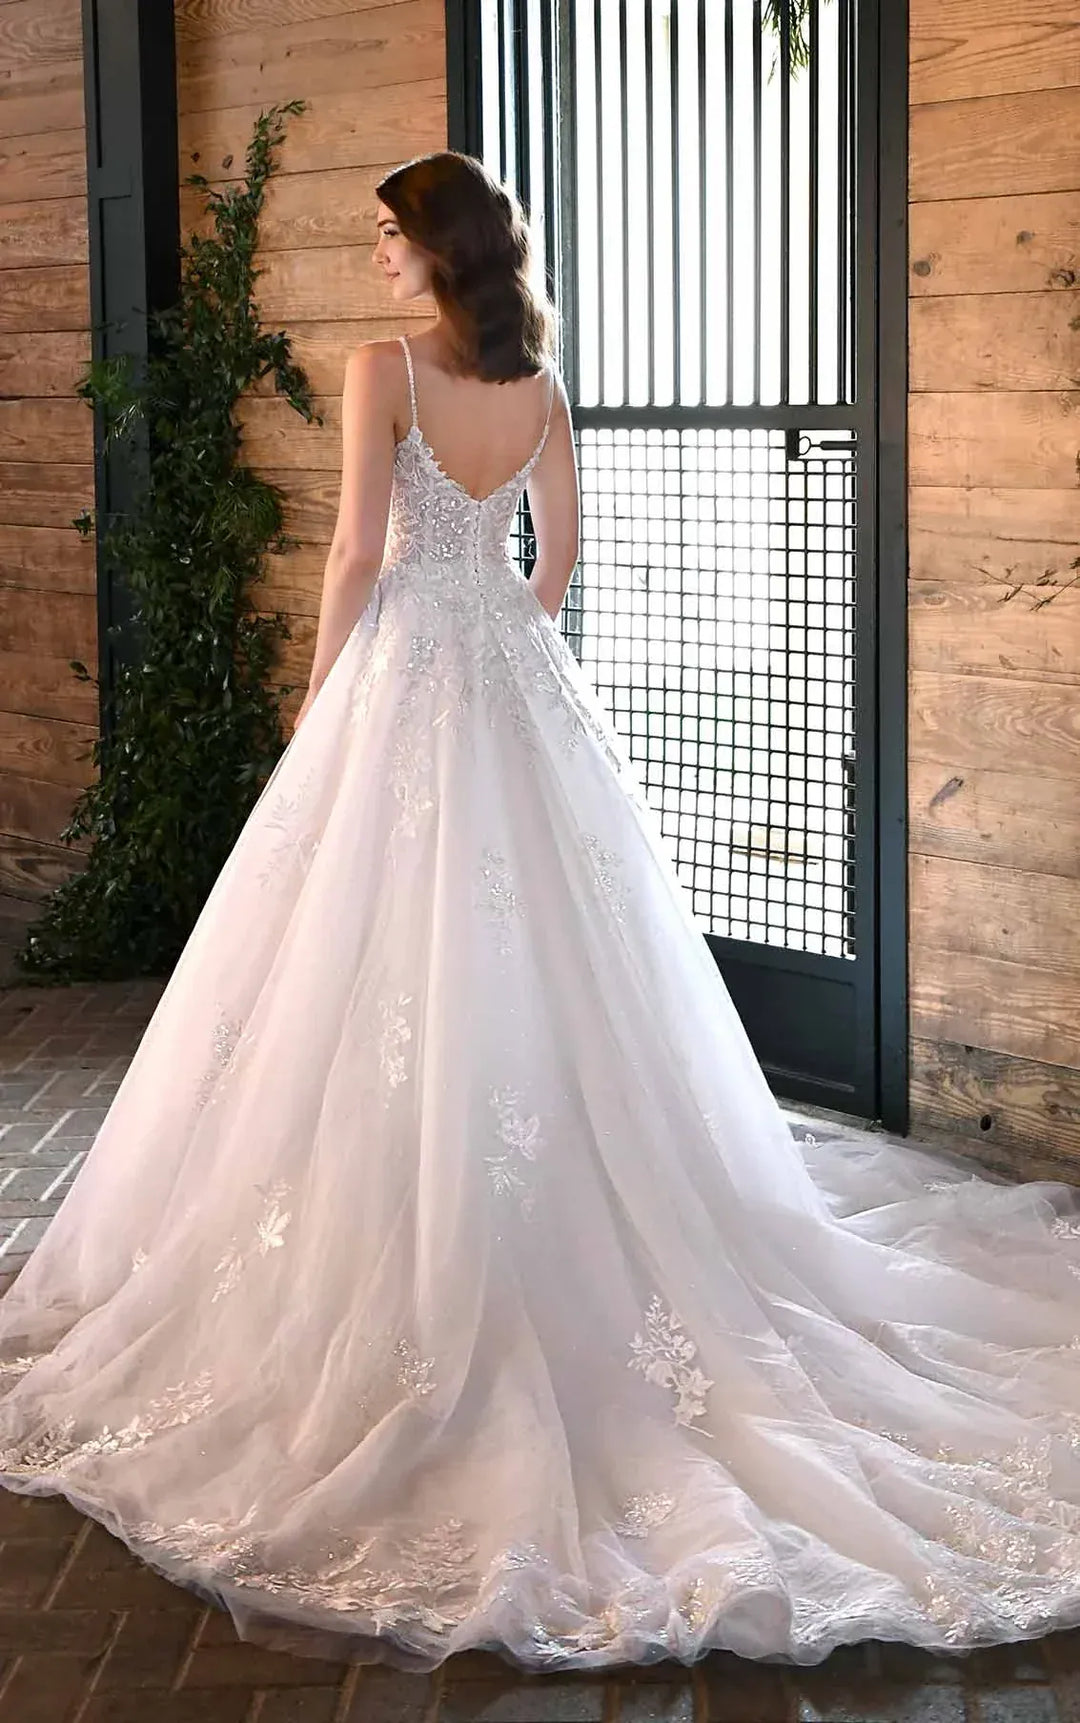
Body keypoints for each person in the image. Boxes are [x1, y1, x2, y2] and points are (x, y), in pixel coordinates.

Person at [3, 149, 1080, 1679]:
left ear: (435, 247)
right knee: (556, 982)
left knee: (367, 964)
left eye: (388, 232)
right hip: (517, 687)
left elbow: (360, 555)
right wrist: (511, 666)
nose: (374, 254)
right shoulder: (543, 391)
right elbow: (553, 565)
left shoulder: (381, 372)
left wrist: (324, 707)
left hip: (401, 693)